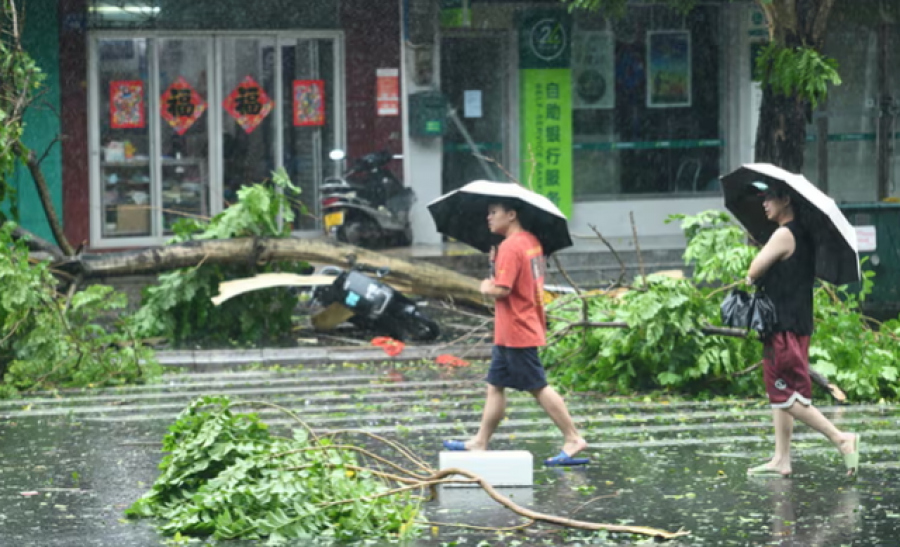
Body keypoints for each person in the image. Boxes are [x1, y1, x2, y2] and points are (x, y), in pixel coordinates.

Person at [442, 199, 588, 466]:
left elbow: (503, 289)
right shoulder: (530, 241)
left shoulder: (510, 247)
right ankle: (480, 441)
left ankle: (573, 437)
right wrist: (496, 265)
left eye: (494, 213)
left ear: (511, 215)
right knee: (495, 385)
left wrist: (485, 286)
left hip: (517, 328)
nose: (489, 218)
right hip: (516, 325)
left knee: (538, 386)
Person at [745, 183, 860, 477]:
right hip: (795, 323)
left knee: (784, 392)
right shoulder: (802, 235)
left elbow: (752, 272)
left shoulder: (784, 234)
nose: (764, 204)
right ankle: (781, 459)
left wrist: (759, 263)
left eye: (769, 197)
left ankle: (840, 438)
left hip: (783, 325)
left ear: (786, 200)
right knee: (781, 393)